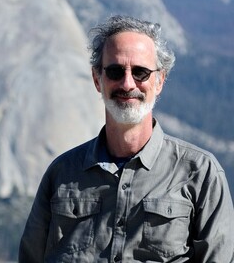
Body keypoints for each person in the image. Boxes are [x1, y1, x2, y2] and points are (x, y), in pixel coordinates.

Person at [18, 15, 234, 262]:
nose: (128, 83)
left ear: (159, 81)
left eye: (141, 72)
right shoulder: (61, 174)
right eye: (115, 71)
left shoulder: (200, 173)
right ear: (97, 79)